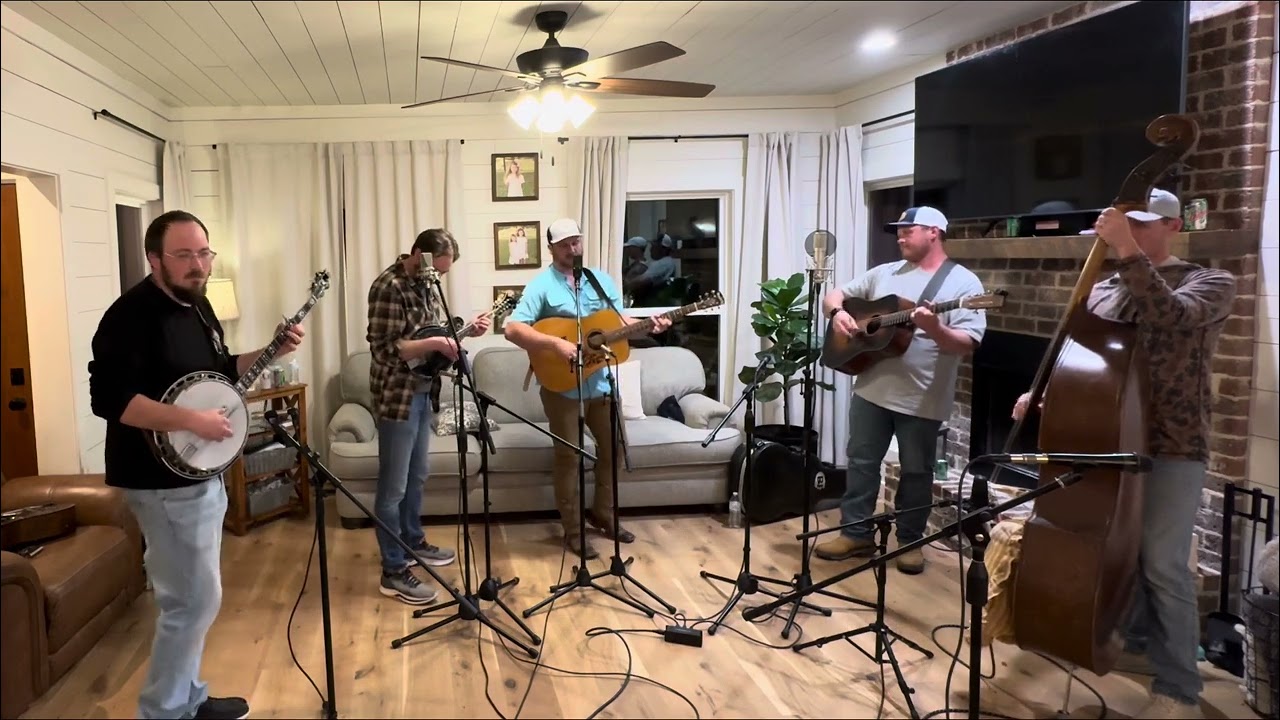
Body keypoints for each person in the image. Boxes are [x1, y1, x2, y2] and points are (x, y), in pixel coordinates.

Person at [1012, 189, 1235, 719]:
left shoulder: (1210, 282)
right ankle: (1131, 642)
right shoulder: (1108, 286)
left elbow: (1169, 315)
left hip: (1170, 443)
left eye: (1142, 223)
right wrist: (1047, 391)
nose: (1130, 232)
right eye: (1125, 224)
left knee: (1163, 565)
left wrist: (1124, 251)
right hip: (1106, 438)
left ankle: (1179, 686)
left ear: (1173, 226)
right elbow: (1091, 356)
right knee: (1116, 550)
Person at [88, 210, 305, 720]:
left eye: (204, 253)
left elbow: (222, 370)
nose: (198, 265)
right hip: (157, 481)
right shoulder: (128, 316)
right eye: (184, 255)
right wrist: (191, 419)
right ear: (154, 259)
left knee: (195, 599)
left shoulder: (197, 304)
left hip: (197, 474)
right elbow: (111, 400)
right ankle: (163, 711)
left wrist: (269, 353)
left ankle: (189, 698)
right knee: (190, 602)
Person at [814, 206, 986, 575]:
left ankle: (910, 540)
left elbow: (967, 342)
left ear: (934, 233)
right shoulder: (885, 273)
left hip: (922, 396)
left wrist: (934, 328)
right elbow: (834, 294)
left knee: (916, 472)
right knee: (860, 462)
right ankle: (855, 533)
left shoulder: (963, 285)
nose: (900, 236)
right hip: (871, 389)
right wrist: (837, 315)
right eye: (899, 230)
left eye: (909, 230)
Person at [504, 218, 671, 559]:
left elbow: (617, 323)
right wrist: (555, 344)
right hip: (562, 384)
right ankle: (573, 529)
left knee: (614, 451)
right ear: (551, 248)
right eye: (565, 244)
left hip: (600, 380)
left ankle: (603, 515)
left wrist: (648, 327)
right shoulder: (541, 285)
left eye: (576, 242)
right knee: (569, 456)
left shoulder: (600, 279)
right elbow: (512, 329)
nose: (573, 249)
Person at [366, 229, 490, 604]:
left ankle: (412, 542)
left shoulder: (426, 284)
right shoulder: (389, 286)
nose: (436, 278)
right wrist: (438, 342)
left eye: (443, 273)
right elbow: (387, 349)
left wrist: (461, 334)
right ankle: (392, 569)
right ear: (417, 254)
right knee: (393, 487)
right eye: (435, 269)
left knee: (417, 475)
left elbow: (429, 343)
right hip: (397, 397)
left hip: (424, 394)